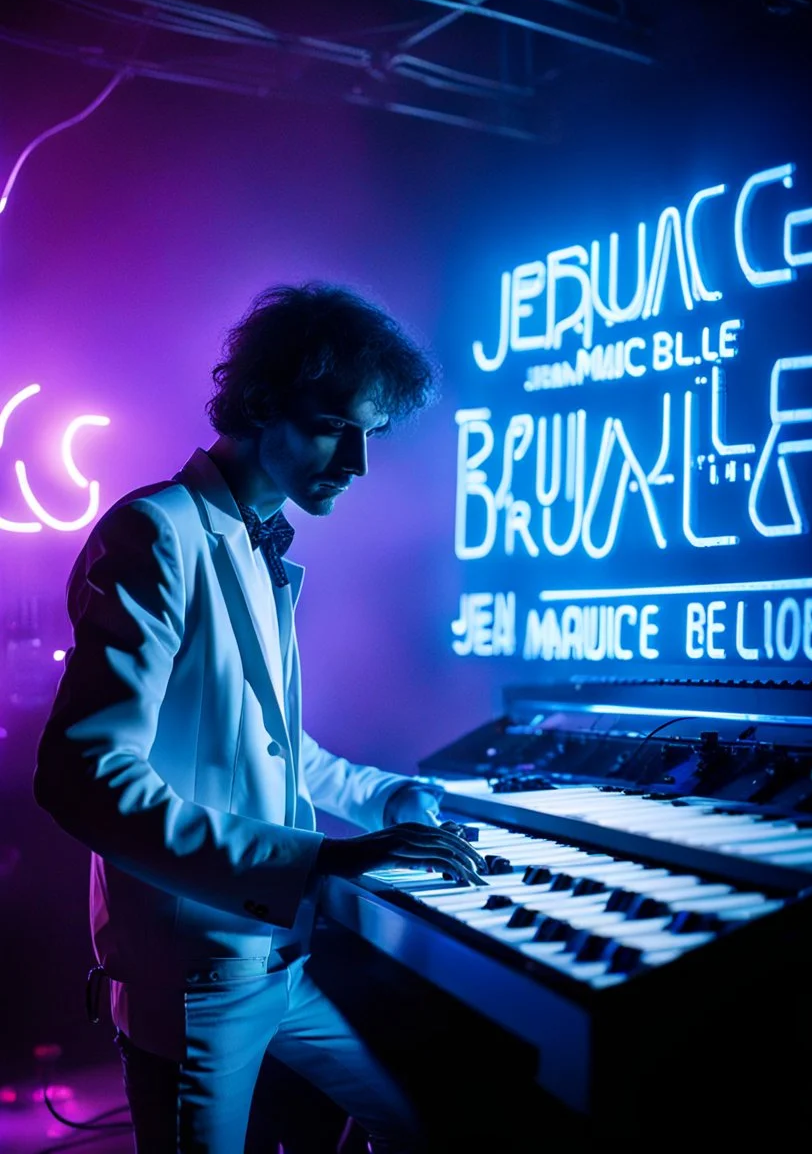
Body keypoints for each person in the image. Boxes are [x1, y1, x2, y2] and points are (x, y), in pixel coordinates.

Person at [32, 281, 488, 1154]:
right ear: (260, 402)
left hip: (274, 962)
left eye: (370, 436)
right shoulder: (155, 533)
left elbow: (275, 746)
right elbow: (83, 776)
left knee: (417, 1125)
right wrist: (322, 860)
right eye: (332, 425)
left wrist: (387, 797)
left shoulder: (258, 542)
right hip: (195, 981)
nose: (355, 462)